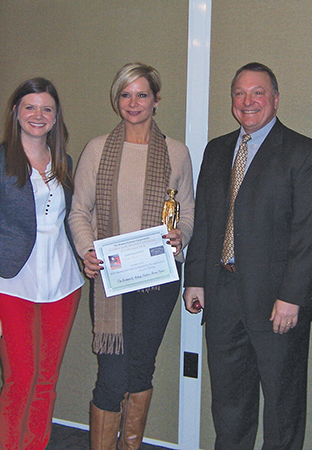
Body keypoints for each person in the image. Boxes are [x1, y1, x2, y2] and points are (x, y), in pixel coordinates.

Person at [183, 62, 312, 450]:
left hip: (277, 301)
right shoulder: (216, 150)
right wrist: (194, 278)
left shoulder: (304, 153)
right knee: (229, 405)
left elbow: (307, 233)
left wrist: (293, 296)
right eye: (240, 93)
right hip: (223, 294)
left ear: (275, 100)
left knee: (283, 406)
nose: (248, 101)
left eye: (257, 92)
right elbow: (208, 219)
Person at [68, 62, 195, 450]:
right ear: (117, 99)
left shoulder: (176, 153)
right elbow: (78, 212)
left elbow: (188, 213)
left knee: (141, 368)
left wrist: (180, 237)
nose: (133, 102)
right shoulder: (97, 149)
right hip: (111, 279)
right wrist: (88, 252)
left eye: (142, 94)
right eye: (126, 94)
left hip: (158, 281)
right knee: (111, 373)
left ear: (156, 100)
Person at [0, 77, 84, 450]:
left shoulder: (63, 161)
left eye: (47, 108)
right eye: (30, 107)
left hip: (63, 285)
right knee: (21, 381)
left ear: (55, 117)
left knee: (47, 382)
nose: (39, 115)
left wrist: (91, 253)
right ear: (16, 112)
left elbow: (71, 220)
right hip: (12, 285)